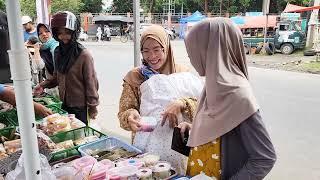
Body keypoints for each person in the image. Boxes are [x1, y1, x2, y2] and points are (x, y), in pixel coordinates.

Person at [178, 18, 276, 179]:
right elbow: (222, 127)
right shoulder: (214, 86)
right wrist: (193, 127)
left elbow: (264, 158)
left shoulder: (237, 95)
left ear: (210, 51)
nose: (191, 59)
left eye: (192, 54)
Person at [118, 25, 202, 174]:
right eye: (146, 51)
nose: (151, 56)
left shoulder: (183, 73)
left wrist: (182, 103)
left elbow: (203, 106)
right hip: (146, 147)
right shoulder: (135, 77)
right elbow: (124, 111)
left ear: (166, 48)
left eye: (157, 49)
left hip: (179, 146)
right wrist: (130, 116)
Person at [33, 11, 99, 124]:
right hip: (63, 103)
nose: (63, 37)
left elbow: (91, 83)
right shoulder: (58, 52)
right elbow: (56, 77)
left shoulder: (84, 55)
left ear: (74, 32)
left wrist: (92, 106)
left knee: (80, 136)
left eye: (67, 32)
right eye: (60, 33)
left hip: (80, 107)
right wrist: (42, 85)